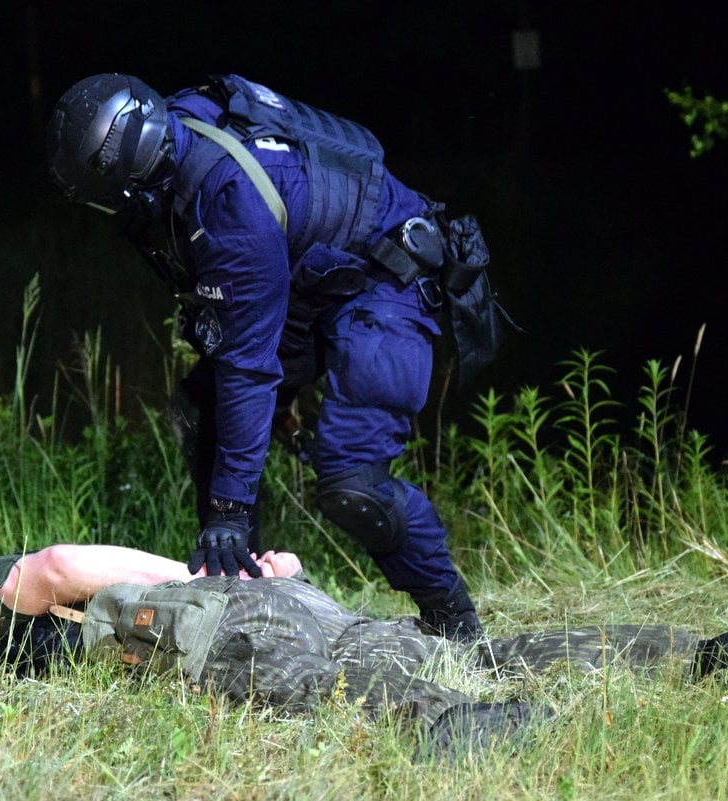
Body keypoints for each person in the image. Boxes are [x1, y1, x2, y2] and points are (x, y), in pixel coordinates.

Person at [45, 73, 505, 641]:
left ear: (130, 177)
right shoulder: (174, 141)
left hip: (388, 281)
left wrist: (228, 510)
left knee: (352, 481)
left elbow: (247, 365)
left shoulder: (228, 206)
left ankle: (455, 623)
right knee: (205, 413)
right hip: (315, 278)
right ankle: (253, 604)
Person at [0, 544, 728, 758]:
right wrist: (223, 568)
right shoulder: (0, 620)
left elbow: (60, 572)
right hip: (286, 608)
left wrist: (227, 574)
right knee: (490, 655)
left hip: (246, 626)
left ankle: (460, 728)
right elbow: (63, 570)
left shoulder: (30, 625)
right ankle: (701, 654)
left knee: (350, 682)